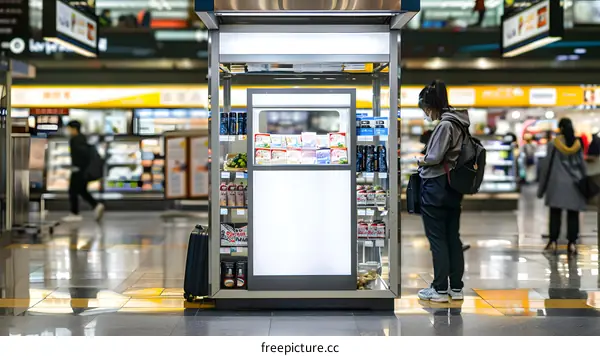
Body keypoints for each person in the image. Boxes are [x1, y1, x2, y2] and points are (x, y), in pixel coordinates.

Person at [416, 80, 469, 303]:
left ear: (431, 106)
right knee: (452, 238)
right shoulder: (460, 123)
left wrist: (420, 159)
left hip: (436, 187)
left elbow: (434, 157)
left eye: (426, 109)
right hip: (453, 188)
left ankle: (439, 289)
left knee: (437, 239)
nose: (427, 114)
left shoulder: (445, 125)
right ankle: (455, 287)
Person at [537, 118, 586, 256]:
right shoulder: (577, 144)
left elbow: (546, 166)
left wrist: (541, 190)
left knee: (555, 213)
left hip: (556, 183)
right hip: (574, 184)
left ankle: (553, 241)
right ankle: (571, 243)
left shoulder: (554, 144)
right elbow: (582, 165)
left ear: (560, 129)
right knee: (573, 214)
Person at [420, 129, 471, 253]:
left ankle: (447, 251)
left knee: (438, 236)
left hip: (437, 198)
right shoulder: (457, 152)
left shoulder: (436, 153)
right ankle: (455, 249)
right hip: (453, 197)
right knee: (452, 232)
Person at [63, 120, 104, 222]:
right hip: (83, 169)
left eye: (69, 128)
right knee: (81, 190)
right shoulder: (83, 138)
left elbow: (80, 155)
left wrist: (76, 166)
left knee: (73, 191)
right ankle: (95, 205)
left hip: (79, 170)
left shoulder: (75, 140)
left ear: (73, 129)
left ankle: (75, 213)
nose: (68, 131)